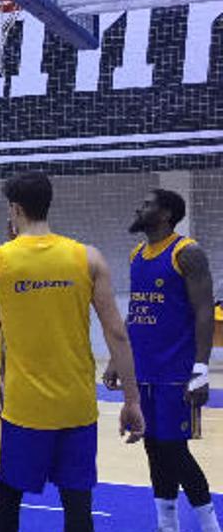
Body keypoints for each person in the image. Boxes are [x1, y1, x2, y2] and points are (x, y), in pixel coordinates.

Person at [0, 172, 144, 532]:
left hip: (22, 407)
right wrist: (132, 400)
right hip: (77, 404)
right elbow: (117, 333)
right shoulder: (88, 257)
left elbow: (1, 311)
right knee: (78, 505)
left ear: (15, 209)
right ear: (48, 204)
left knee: (6, 500)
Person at [122, 189, 221, 532]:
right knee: (153, 447)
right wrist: (118, 359)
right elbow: (137, 311)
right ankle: (168, 523)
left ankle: (209, 524)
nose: (139, 206)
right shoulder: (137, 254)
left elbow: (205, 312)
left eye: (147, 203)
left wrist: (200, 369)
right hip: (144, 371)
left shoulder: (187, 252)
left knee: (175, 451)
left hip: (176, 373)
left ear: (165, 214)